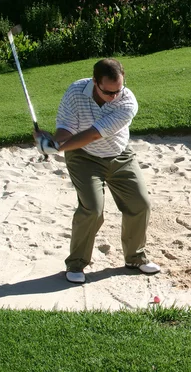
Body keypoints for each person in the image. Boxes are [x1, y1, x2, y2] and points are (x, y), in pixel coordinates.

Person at [34, 58, 160, 284]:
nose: (114, 97)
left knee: (140, 204)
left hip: (119, 156)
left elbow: (93, 133)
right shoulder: (75, 92)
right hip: (83, 158)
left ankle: (135, 258)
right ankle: (76, 264)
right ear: (95, 82)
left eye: (118, 90)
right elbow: (66, 129)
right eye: (108, 92)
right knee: (92, 209)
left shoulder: (127, 103)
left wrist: (57, 147)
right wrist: (52, 142)